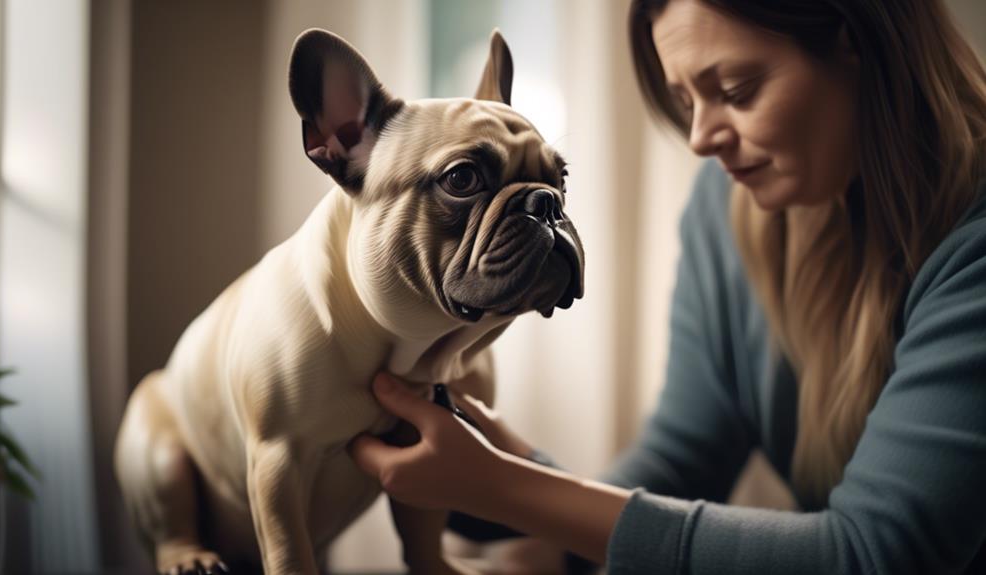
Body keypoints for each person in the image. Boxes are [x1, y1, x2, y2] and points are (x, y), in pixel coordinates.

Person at [349, 0, 986, 572]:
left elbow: (876, 555)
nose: (703, 139)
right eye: (685, 102)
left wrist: (506, 490)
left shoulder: (972, 243)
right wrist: (530, 499)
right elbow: (687, 455)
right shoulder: (731, 203)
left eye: (735, 90)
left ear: (857, 41)